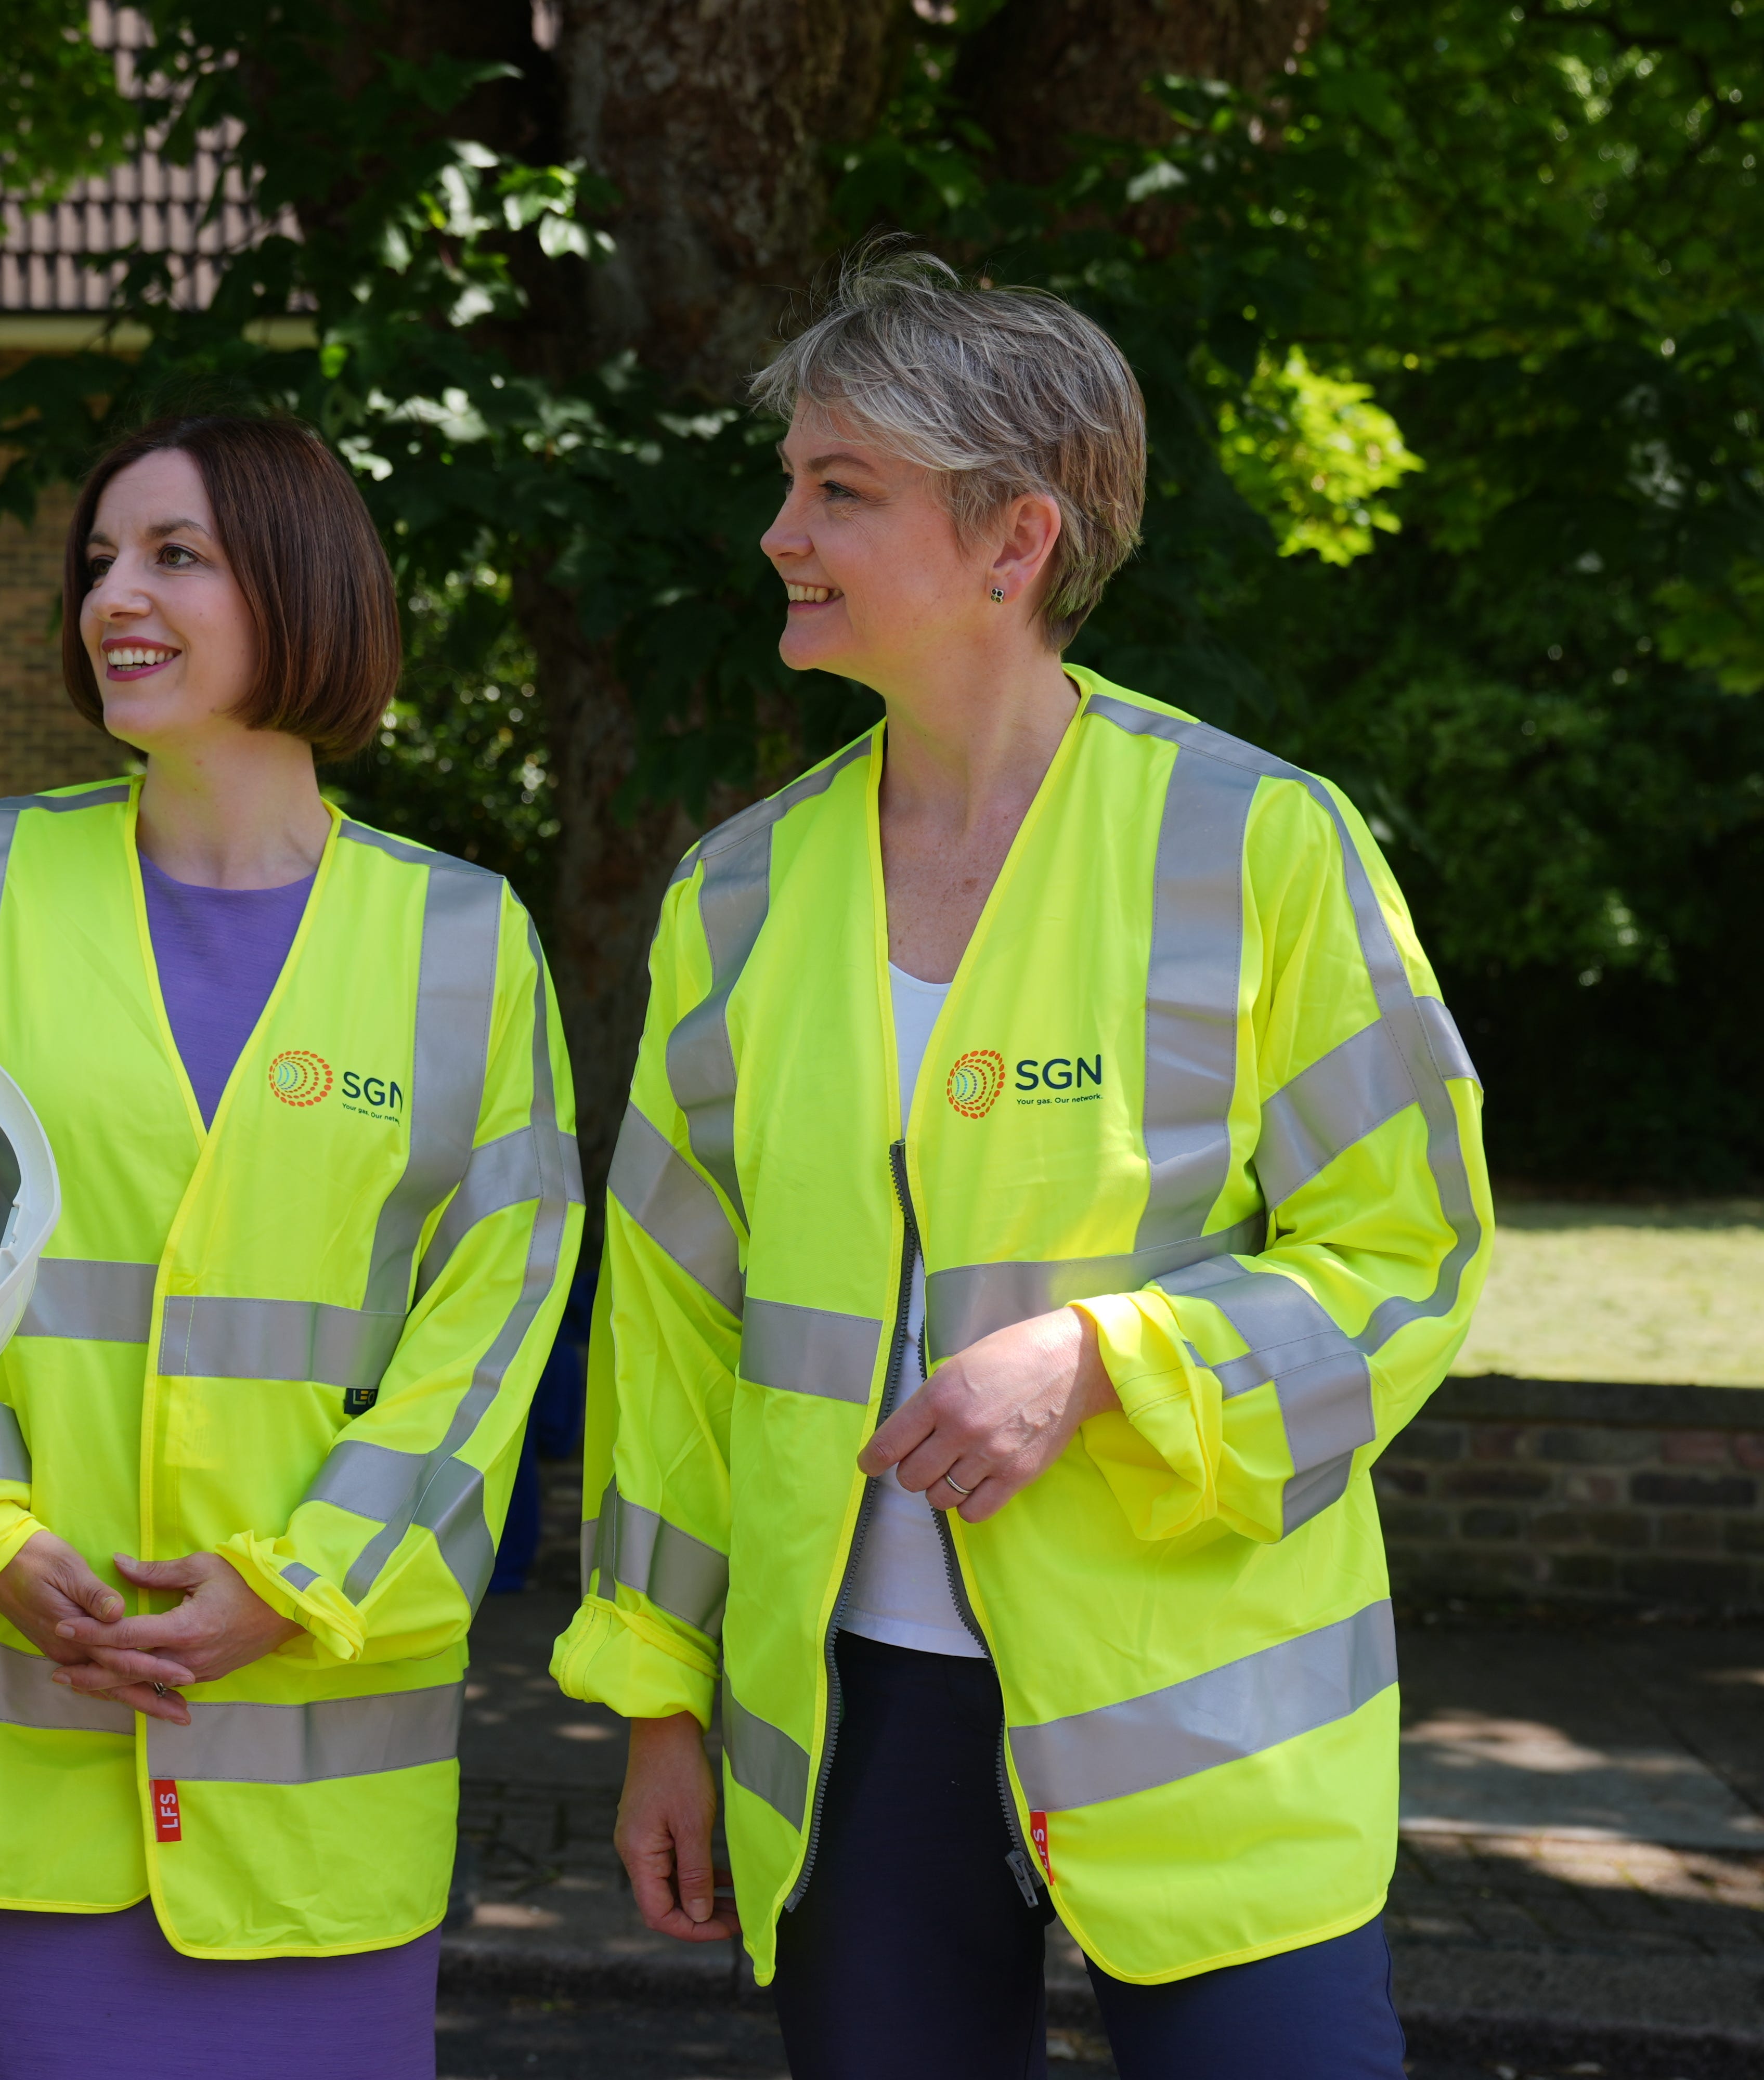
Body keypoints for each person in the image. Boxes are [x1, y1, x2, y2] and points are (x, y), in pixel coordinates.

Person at [553, 248, 1489, 2078]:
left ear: (1015, 541)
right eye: (790, 483)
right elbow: (671, 1339)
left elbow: (1412, 1252)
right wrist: (658, 1700)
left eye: (841, 490)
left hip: (1211, 1727)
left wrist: (1106, 1360)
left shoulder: (1262, 847)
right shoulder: (732, 899)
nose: (779, 534)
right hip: (848, 1723)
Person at [0, 411, 583, 2077]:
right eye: (99, 562)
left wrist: (301, 1584)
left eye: (175, 556)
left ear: (301, 586)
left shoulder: (464, 942)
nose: (113, 599)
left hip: (319, 1793)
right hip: (5, 1757)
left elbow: (495, 1317)